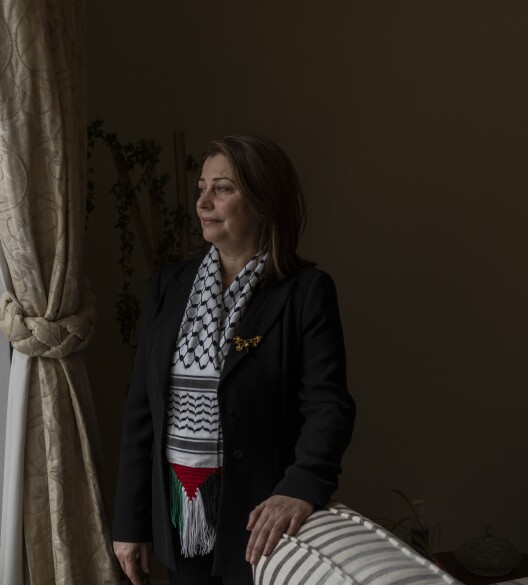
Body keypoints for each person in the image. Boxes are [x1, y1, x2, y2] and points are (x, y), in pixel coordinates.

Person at [111, 135, 356, 585]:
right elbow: (142, 410)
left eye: (222, 189)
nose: (204, 200)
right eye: (202, 187)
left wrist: (300, 489)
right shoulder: (170, 284)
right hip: (182, 516)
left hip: (262, 524)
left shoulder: (305, 292)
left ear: (264, 201)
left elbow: (328, 407)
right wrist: (131, 522)